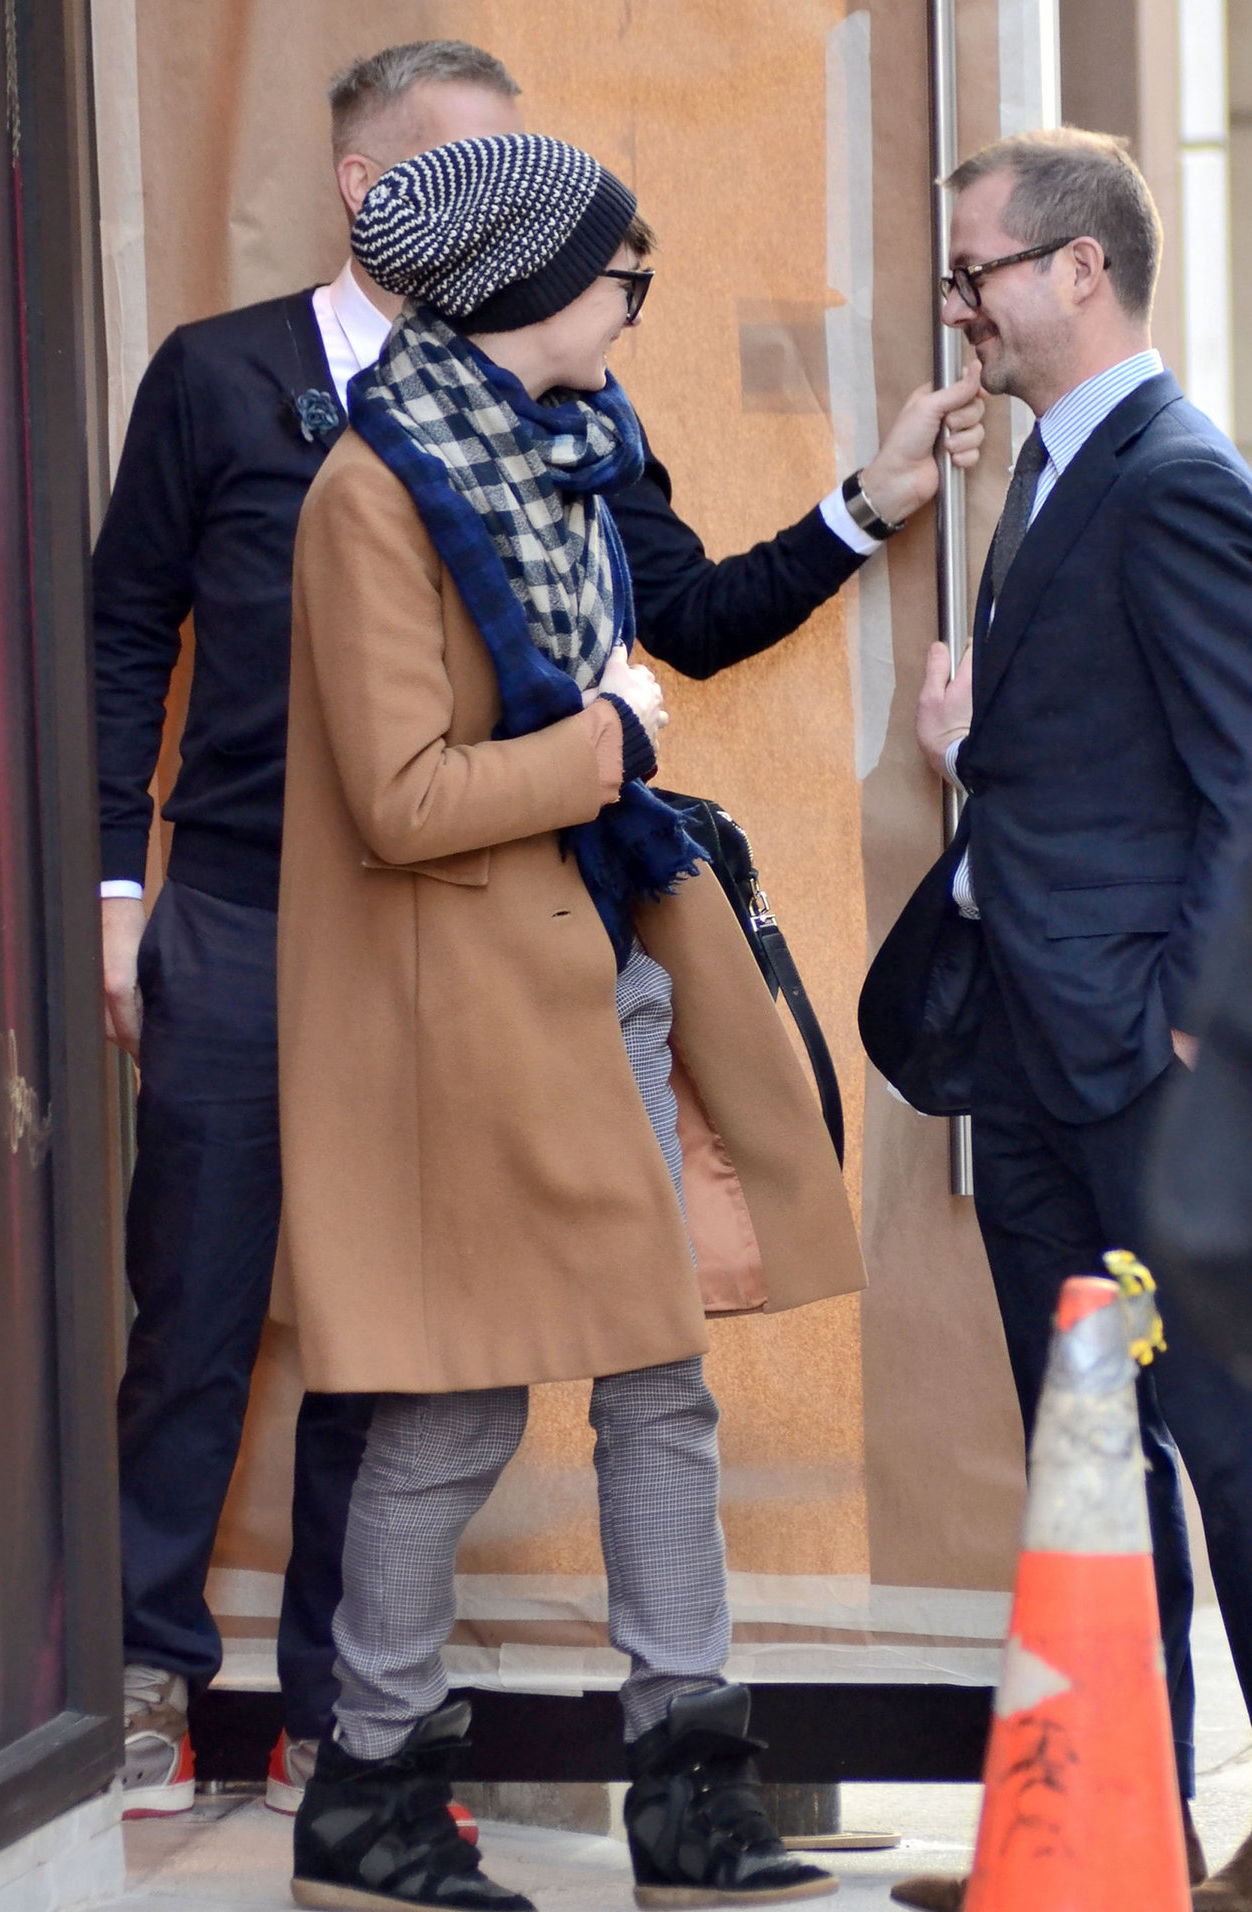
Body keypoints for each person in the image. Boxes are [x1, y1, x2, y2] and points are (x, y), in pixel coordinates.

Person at [95, 39, 983, 1819]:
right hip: (258, 907)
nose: (552, 220)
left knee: (410, 1337)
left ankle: (355, 1723)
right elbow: (125, 638)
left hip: (476, 933)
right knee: (199, 1303)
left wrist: (868, 502)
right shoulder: (230, 384)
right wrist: (119, 893)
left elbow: (690, 613)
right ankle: (149, 1683)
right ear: (388, 195)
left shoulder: (573, 434)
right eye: (500, 177)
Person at [280, 130, 866, 1912]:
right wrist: (609, 737)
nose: (637, 302)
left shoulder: (567, 459)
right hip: (462, 1005)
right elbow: (394, 792)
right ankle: (369, 1791)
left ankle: (688, 1783)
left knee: (658, 1381)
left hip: (591, 959)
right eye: (627, 275)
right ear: (536, 286)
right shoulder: (375, 491)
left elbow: (650, 637)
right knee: (453, 1401)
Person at [859, 127, 1252, 1912]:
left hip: (1137, 1062)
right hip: (1030, 1048)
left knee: (1230, 1435)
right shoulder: (1054, 471)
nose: (962, 307)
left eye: (977, 270)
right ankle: (1110, 1818)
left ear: (1078, 268)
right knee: (1086, 1452)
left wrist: (1183, 1028)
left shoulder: (1173, 477)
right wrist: (969, 758)